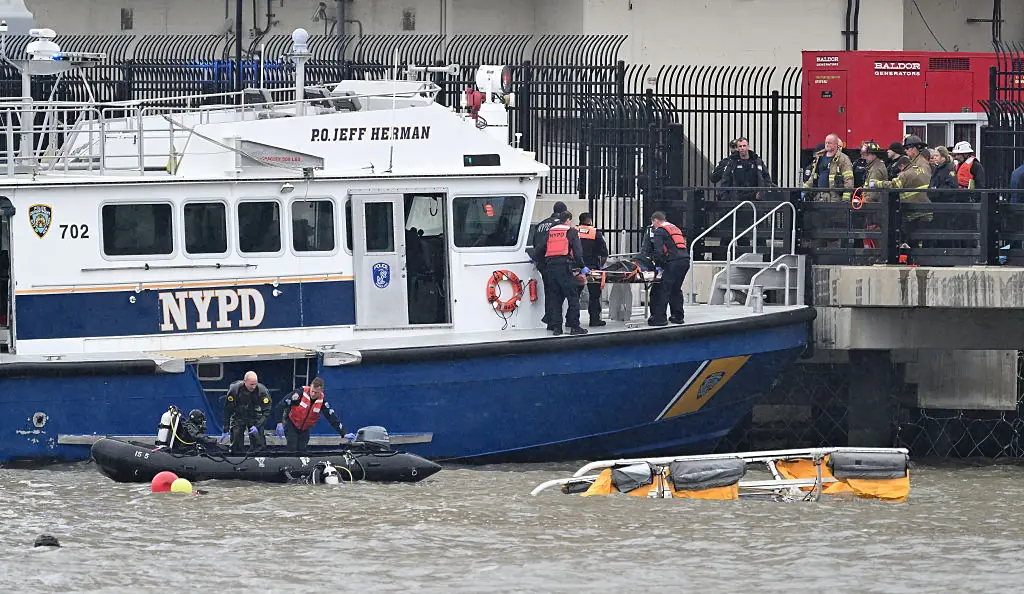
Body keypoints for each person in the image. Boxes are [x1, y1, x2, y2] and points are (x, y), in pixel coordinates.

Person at [870, 135, 933, 264]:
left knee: (913, 239)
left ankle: (915, 261)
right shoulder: (921, 164)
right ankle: (913, 260)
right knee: (911, 239)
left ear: (914, 149)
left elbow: (896, 184)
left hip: (917, 211)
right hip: (916, 210)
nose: (905, 151)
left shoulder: (916, 168)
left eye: (907, 149)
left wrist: (876, 184)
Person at [533, 210, 588, 336]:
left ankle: (557, 328)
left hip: (551, 268)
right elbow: (578, 253)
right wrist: (582, 267)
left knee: (556, 299)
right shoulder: (571, 231)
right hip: (564, 267)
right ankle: (574, 327)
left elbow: (539, 250)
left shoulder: (550, 232)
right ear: (568, 220)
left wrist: (542, 264)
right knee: (573, 297)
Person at [275, 377, 348, 452]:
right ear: (310, 387)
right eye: (312, 391)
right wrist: (279, 423)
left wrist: (343, 433)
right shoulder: (299, 394)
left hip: (304, 428)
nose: (313, 394)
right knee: (292, 447)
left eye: (316, 393)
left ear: (321, 391)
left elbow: (332, 417)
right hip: (291, 423)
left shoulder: (322, 402)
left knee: (302, 449)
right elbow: (281, 405)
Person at [529, 201, 568, 327]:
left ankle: (549, 317)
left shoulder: (541, 224)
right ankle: (552, 319)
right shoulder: (558, 225)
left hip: (541, 262)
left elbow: (535, 242)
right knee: (557, 292)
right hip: (553, 261)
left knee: (549, 290)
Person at [648, 212, 689, 326]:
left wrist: (659, 265)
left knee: (663, 290)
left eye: (652, 224)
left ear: (656, 221)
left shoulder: (659, 231)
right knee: (676, 289)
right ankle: (678, 316)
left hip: (673, 263)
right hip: (685, 261)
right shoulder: (675, 228)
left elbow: (658, 251)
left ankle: (660, 319)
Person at [222, 371, 272, 453]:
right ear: (245, 382)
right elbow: (227, 409)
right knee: (236, 437)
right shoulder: (235, 389)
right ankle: (236, 453)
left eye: (255, 384)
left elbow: (267, 411)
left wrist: (258, 425)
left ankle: (258, 455)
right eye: (251, 384)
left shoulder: (262, 391)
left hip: (255, 415)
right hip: (238, 414)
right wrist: (225, 427)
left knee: (258, 442)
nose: (253, 387)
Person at [575, 212, 609, 327]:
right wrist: (600, 266)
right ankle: (594, 320)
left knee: (575, 295)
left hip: (576, 268)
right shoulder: (595, 233)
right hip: (592, 269)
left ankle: (573, 321)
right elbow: (604, 253)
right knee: (594, 295)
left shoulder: (573, 231)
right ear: (590, 221)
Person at [803, 133, 854, 202]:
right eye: (826, 142)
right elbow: (813, 177)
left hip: (834, 200)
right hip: (819, 197)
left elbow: (848, 180)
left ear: (836, 144)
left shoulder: (843, 159)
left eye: (829, 143)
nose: (827, 144)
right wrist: (803, 190)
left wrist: (845, 199)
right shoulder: (820, 158)